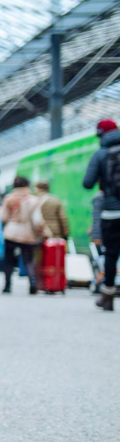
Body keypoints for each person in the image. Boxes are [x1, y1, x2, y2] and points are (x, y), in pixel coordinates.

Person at [82, 118, 120, 311]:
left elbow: (87, 183)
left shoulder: (100, 154)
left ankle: (108, 295)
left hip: (111, 213)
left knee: (111, 254)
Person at [0, 176, 46, 295]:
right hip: (27, 234)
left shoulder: (9, 199)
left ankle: (7, 285)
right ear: (27, 185)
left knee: (8, 260)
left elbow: (2, 217)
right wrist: (44, 232)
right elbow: (37, 220)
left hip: (10, 232)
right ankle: (32, 283)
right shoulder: (33, 200)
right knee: (28, 260)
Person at [32, 180, 69, 292]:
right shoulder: (55, 200)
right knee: (54, 260)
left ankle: (41, 284)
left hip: (39, 235)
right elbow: (63, 218)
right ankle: (54, 283)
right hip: (55, 234)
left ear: (37, 188)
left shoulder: (34, 200)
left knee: (39, 260)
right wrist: (66, 233)